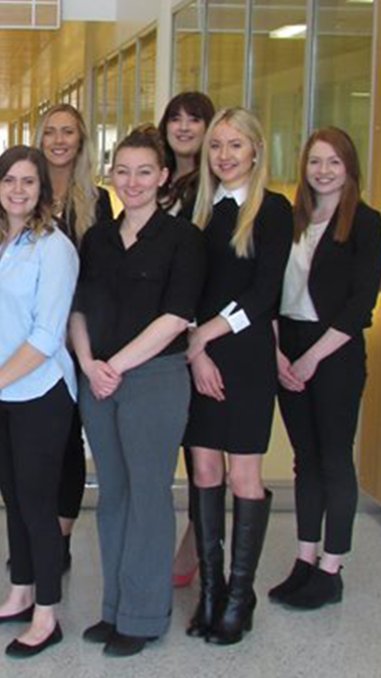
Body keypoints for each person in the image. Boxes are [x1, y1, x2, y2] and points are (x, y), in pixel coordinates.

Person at [70, 126, 205, 656]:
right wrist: (89, 363)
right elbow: (78, 309)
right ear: (110, 175)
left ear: (163, 176)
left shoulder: (182, 239)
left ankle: (144, 617)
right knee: (113, 496)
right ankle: (115, 608)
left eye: (144, 171)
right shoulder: (97, 238)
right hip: (99, 381)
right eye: (123, 171)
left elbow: (176, 317)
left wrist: (115, 366)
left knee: (148, 495)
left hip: (154, 380)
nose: (133, 181)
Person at [0, 146, 79, 658]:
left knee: (37, 505)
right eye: (9, 180)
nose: (18, 190)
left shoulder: (55, 249)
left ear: (42, 191)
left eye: (29, 181)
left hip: (39, 395)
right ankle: (19, 595)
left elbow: (47, 335)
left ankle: (47, 615)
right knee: (15, 500)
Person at [184, 108, 293, 646]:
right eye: (216, 146)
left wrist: (207, 334)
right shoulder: (199, 210)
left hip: (245, 355)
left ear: (255, 151)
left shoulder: (273, 210)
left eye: (235, 145)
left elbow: (264, 291)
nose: (224, 156)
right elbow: (184, 288)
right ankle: (212, 591)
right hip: (197, 355)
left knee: (243, 476)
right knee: (205, 471)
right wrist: (195, 347)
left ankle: (239, 597)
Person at [268, 128, 381, 610]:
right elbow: (270, 289)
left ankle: (331, 568)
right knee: (305, 459)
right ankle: (304, 558)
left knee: (334, 457)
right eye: (315, 161)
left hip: (334, 350)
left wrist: (312, 357)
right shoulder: (290, 219)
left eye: (333, 162)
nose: (323, 171)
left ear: (349, 167)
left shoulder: (365, 222)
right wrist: (278, 352)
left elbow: (361, 305)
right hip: (288, 343)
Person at [33, 103, 114, 566]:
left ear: (81, 140)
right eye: (50, 132)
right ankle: (37, 531)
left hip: (79, 334)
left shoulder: (97, 201)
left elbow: (101, 275)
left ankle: (59, 539)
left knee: (69, 439)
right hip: (33, 337)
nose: (59, 140)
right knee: (40, 440)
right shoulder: (27, 190)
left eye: (67, 132)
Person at [156, 91, 216, 588]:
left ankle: (199, 540)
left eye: (194, 120)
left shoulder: (212, 189)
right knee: (170, 442)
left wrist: (199, 336)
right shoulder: (158, 181)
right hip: (156, 333)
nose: (183, 127)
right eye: (175, 119)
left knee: (202, 446)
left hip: (198, 330)